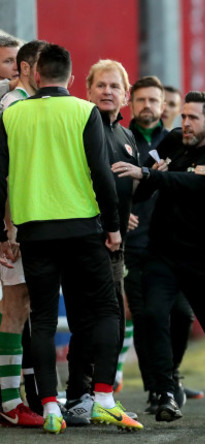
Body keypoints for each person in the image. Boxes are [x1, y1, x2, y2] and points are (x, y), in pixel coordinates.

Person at [0, 43, 142, 433]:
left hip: (34, 232)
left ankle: (49, 407)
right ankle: (104, 399)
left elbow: (0, 177)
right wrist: (113, 227)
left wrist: (1, 234)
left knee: (42, 320)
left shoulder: (12, 115)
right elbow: (101, 174)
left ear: (37, 76)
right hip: (82, 228)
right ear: (73, 79)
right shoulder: (84, 111)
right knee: (107, 312)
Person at [116, 91, 205, 423]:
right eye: (183, 116)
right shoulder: (169, 141)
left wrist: (152, 175)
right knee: (152, 315)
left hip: (202, 256)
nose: (184, 123)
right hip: (161, 254)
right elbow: (146, 184)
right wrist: (150, 172)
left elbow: (193, 184)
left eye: (192, 118)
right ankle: (165, 391)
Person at [60, 59, 141, 425]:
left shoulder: (127, 137)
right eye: (101, 86)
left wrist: (125, 215)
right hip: (87, 238)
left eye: (114, 87)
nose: (107, 92)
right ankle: (85, 394)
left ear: (126, 95)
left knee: (101, 320)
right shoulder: (80, 127)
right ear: (87, 90)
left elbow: (122, 186)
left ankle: (86, 395)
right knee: (90, 319)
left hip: (115, 241)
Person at [124, 75, 204, 412]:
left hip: (176, 243)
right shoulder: (121, 138)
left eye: (153, 101)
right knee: (146, 318)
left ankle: (168, 376)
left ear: (163, 105)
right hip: (136, 244)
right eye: (140, 100)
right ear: (132, 103)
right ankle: (159, 388)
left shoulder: (175, 142)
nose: (147, 106)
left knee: (182, 315)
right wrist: (118, 214)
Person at [0, 39, 47, 429]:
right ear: (28, 68)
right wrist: (8, 230)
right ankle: (8, 402)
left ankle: (11, 396)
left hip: (24, 223)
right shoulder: (13, 105)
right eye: (44, 67)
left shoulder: (25, 103)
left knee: (22, 305)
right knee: (15, 306)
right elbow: (8, 171)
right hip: (14, 226)